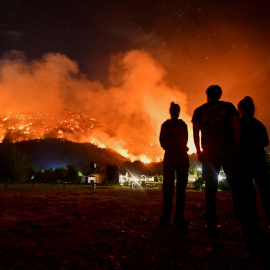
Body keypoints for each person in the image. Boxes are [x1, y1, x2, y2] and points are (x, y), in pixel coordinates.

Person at [192, 85, 242, 231]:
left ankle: (211, 217)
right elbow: (236, 126)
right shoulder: (229, 107)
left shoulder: (199, 111)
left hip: (209, 151)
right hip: (228, 148)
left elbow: (195, 132)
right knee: (234, 181)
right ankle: (240, 214)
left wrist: (198, 151)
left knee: (210, 184)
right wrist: (236, 146)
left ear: (207, 94)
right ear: (220, 94)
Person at [238, 96, 270, 227]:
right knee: (265, 191)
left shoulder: (238, 124)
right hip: (259, 160)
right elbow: (265, 142)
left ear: (241, 110)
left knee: (247, 192)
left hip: (244, 161)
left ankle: (251, 223)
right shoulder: (259, 124)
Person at [159, 102, 190, 228]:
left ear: (170, 112)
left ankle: (165, 218)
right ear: (179, 112)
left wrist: (169, 147)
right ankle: (179, 218)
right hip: (182, 156)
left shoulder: (165, 125)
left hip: (169, 157)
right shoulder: (183, 125)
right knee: (181, 189)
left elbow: (161, 141)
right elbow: (186, 140)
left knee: (168, 188)